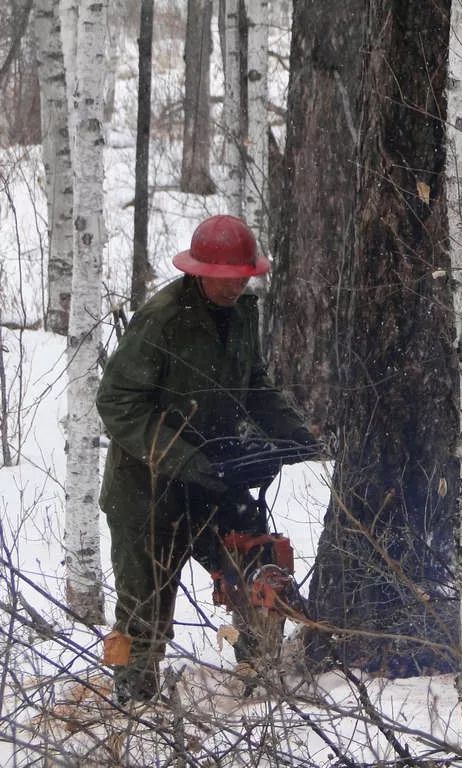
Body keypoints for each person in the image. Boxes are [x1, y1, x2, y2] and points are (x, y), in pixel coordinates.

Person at [97, 215, 320, 702]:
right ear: (199, 272)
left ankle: (258, 687)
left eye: (241, 277)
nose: (233, 287)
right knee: (142, 611)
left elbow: (254, 383)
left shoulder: (243, 313)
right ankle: (132, 705)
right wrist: (183, 459)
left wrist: (294, 434)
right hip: (147, 488)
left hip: (216, 477)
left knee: (258, 568)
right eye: (224, 279)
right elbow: (116, 402)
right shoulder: (162, 319)